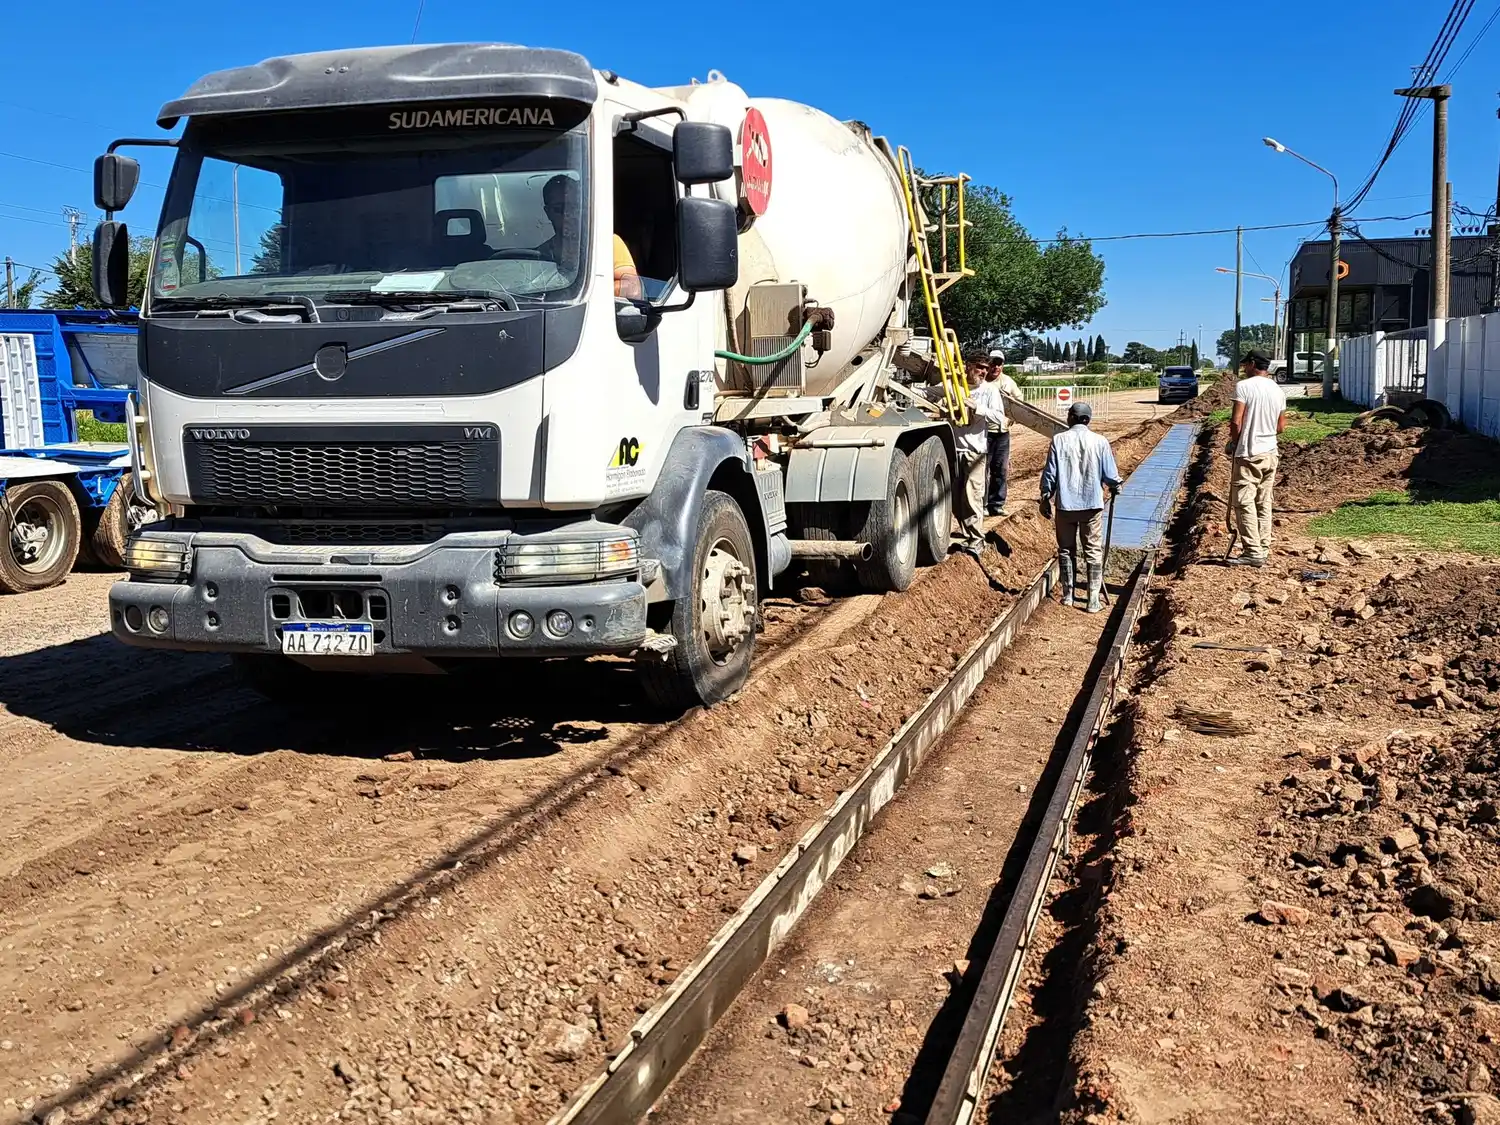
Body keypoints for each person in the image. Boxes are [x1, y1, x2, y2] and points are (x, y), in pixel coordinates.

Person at [1040, 401, 1121, 613]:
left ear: (1071, 418)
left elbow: (1050, 473)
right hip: (1092, 505)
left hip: (1066, 505)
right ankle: (1093, 600)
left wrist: (1045, 496)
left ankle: (1068, 595)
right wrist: (1115, 486)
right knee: (1093, 550)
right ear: (1088, 419)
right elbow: (1111, 475)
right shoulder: (1100, 441)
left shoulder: (1059, 440)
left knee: (1066, 549)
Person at [1227, 347, 1288, 567]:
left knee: (1243, 502)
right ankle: (1262, 548)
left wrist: (1234, 443)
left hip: (1249, 453)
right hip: (1271, 453)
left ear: (1253, 363)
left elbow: (1236, 421)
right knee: (1263, 502)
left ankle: (1252, 552)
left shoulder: (1244, 387)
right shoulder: (1277, 390)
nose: (1243, 368)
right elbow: (1281, 427)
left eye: (1245, 364)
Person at [950, 358, 1006, 558]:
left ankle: (977, 540)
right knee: (956, 500)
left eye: (986, 369)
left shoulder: (989, 391)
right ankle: (967, 534)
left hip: (975, 451)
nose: (983, 372)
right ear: (968, 366)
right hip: (953, 450)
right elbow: (930, 393)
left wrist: (977, 408)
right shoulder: (953, 386)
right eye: (979, 367)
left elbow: (1000, 418)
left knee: (972, 496)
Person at [985, 348, 1023, 516]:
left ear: (1003, 365)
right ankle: (983, 504)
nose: (995, 367)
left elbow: (1019, 401)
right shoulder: (982, 382)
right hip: (984, 432)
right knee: (983, 470)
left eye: (999, 363)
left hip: (1002, 433)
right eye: (993, 363)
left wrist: (1012, 418)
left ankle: (997, 503)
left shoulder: (1008, 382)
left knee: (1000, 469)